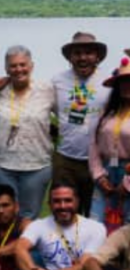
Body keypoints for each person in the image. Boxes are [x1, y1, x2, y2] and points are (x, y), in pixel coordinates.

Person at [0, 45, 55, 219]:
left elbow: (66, 116)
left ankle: (26, 247)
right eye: (13, 66)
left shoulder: (47, 90)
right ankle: (4, 246)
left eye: (23, 64)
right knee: (3, 216)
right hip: (1, 165)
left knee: (28, 217)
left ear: (31, 66)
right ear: (6, 69)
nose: (19, 69)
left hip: (37, 165)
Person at [52, 31, 110, 216]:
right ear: (70, 57)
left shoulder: (109, 82)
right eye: (77, 53)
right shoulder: (57, 81)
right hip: (65, 159)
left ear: (98, 56)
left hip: (100, 160)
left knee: (95, 213)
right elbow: (40, 107)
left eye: (88, 53)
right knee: (65, 211)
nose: (82, 58)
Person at [88, 57, 130, 233]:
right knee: (97, 224)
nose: (126, 86)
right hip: (106, 171)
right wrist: (99, 176)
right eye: (122, 82)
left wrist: (128, 182)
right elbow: (93, 145)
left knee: (126, 228)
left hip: (128, 172)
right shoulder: (107, 112)